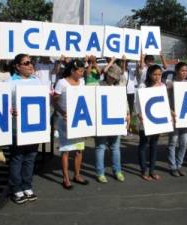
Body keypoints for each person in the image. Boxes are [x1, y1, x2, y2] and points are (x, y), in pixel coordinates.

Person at [8, 54, 42, 204]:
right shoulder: (10, 82)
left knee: (30, 158)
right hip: (17, 129)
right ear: (17, 66)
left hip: (34, 128)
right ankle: (16, 188)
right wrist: (11, 111)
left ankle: (27, 186)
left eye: (31, 62)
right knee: (17, 159)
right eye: (26, 63)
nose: (30, 65)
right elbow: (3, 104)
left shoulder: (37, 81)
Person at [53, 59, 89, 189]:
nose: (82, 73)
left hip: (79, 120)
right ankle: (65, 178)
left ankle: (77, 175)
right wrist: (62, 112)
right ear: (73, 70)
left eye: (83, 71)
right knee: (66, 150)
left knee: (79, 149)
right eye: (80, 71)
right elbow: (54, 101)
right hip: (64, 121)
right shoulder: (61, 83)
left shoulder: (82, 82)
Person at [95, 64, 130, 183]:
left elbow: (124, 101)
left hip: (116, 120)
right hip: (101, 120)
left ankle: (117, 170)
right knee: (101, 146)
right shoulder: (98, 85)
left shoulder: (119, 86)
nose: (113, 78)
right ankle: (100, 172)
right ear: (106, 74)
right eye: (111, 76)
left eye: (115, 77)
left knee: (115, 147)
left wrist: (128, 114)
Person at [135, 64, 165, 181]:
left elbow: (164, 103)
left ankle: (152, 170)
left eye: (159, 74)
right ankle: (144, 170)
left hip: (157, 121)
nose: (157, 77)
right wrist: (139, 115)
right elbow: (136, 103)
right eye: (155, 74)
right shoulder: (143, 85)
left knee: (154, 145)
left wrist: (170, 113)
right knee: (143, 145)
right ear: (149, 74)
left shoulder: (162, 86)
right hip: (145, 120)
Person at [167, 62, 187, 177]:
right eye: (182, 70)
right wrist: (170, 111)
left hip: (186, 118)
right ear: (176, 71)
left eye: (186, 71)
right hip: (174, 117)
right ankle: (173, 166)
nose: (185, 73)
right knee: (173, 142)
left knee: (184, 143)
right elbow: (164, 100)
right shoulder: (170, 84)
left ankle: (179, 164)